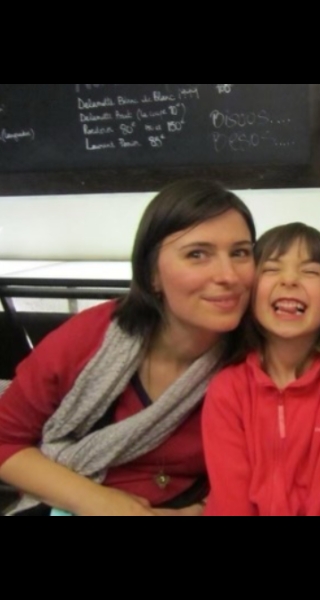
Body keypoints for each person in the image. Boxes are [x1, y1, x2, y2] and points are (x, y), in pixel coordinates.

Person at [0, 179, 256, 516]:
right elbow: (5, 440)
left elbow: (275, 474)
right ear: (152, 275)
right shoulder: (90, 337)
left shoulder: (260, 361)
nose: (229, 275)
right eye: (197, 254)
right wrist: (98, 502)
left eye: (240, 253)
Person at [202, 223, 320, 517]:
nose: (289, 280)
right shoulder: (227, 389)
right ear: (251, 298)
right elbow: (231, 501)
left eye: (310, 272)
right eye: (272, 269)